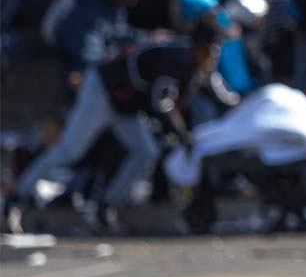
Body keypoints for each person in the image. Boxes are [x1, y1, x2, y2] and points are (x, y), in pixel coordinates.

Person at [7, 14, 236, 234]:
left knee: (146, 152)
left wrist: (243, 107)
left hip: (125, 106)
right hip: (102, 92)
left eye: (216, 48)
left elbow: (221, 95)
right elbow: (160, 103)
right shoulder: (177, 58)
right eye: (210, 47)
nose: (214, 54)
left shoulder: (200, 64)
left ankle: (105, 208)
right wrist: (181, 134)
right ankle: (15, 198)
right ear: (198, 45)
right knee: (70, 150)